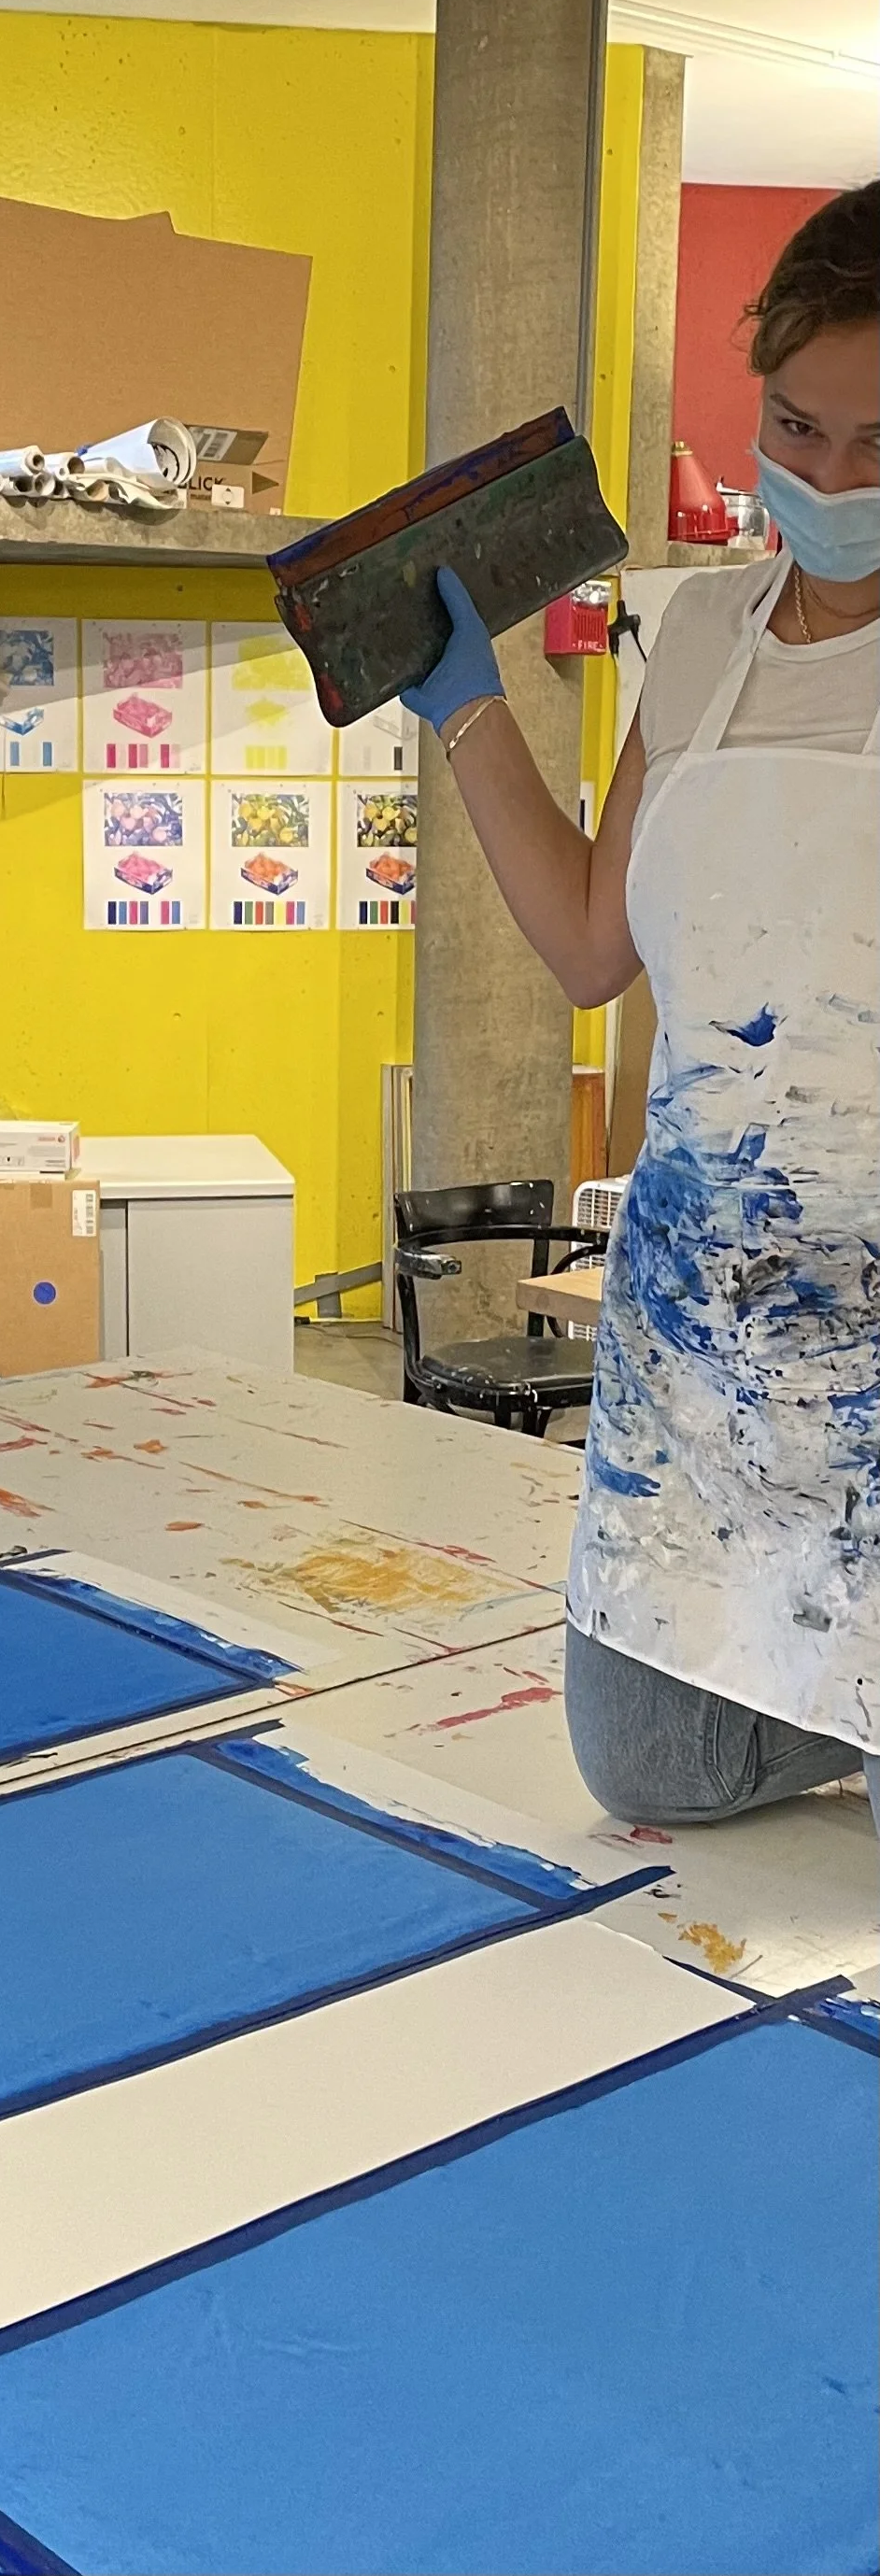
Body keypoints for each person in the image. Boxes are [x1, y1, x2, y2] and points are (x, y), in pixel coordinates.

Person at [401, 180, 879, 1826]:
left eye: (878, 446)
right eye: (796, 425)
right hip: (699, 1323)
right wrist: (461, 706)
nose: (824, 479)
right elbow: (591, 945)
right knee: (652, 1773)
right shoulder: (695, 637)